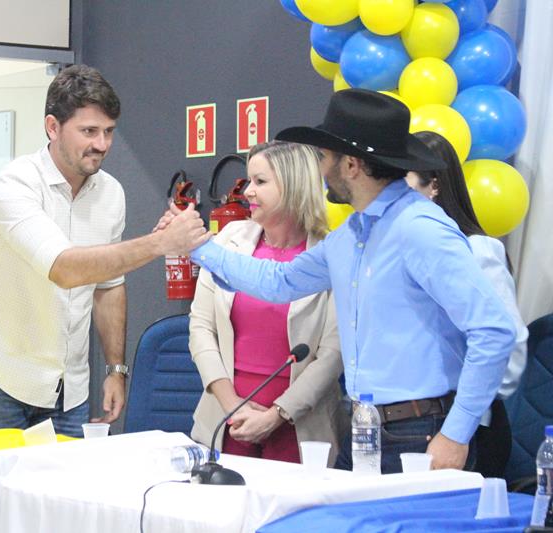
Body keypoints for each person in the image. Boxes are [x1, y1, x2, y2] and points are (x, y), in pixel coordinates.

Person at [188, 89, 516, 473]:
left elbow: (493, 330)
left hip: (422, 431)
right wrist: (197, 246)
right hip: (365, 427)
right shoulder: (351, 235)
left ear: (352, 165)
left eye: (326, 157)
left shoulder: (420, 229)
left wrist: (457, 433)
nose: (321, 168)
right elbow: (279, 281)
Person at [0, 64, 209, 437]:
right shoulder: (15, 185)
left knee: (64, 492)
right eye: (89, 131)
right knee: (3, 492)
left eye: (109, 132)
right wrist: (160, 244)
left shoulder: (111, 194)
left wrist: (115, 370)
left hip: (69, 386)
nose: (102, 144)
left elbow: (107, 287)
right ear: (53, 127)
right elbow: (65, 269)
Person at [190, 141, 347, 463]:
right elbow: (201, 327)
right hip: (225, 420)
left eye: (260, 182)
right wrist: (230, 402)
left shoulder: (330, 253)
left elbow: (333, 354)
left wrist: (277, 414)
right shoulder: (229, 238)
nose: (247, 191)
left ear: (294, 185)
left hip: (301, 427)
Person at [406, 130, 528, 478]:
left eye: (406, 185)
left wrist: (471, 403)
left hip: (471, 424)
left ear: (435, 186)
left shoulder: (477, 250)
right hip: (415, 418)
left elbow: (510, 345)